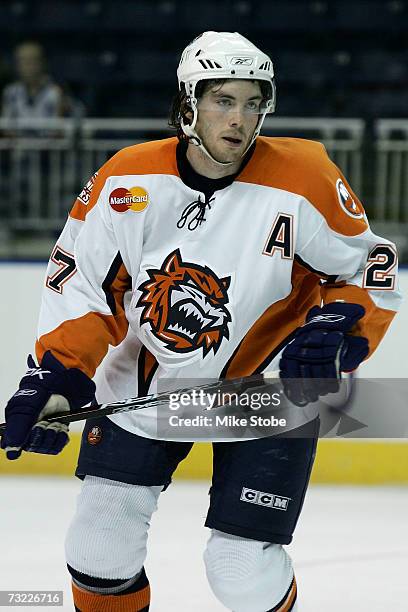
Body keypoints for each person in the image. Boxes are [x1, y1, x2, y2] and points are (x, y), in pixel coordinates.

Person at [1, 31, 402, 612]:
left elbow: (371, 266)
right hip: (144, 391)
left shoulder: (305, 175)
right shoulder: (126, 180)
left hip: (262, 395)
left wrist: (342, 331)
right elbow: (84, 286)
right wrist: (60, 373)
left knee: (240, 572)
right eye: (222, 100)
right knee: (97, 549)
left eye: (252, 102)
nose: (240, 119)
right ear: (188, 104)